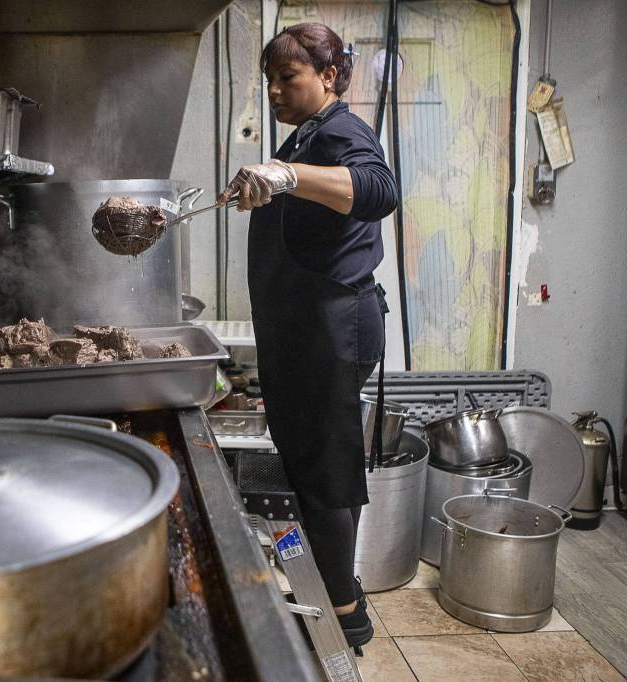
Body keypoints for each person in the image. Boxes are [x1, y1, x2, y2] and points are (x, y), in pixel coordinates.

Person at [216, 22, 397, 649]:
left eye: (286, 77)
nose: (273, 90)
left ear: (329, 76)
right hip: (303, 329)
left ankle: (343, 615)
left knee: (323, 470)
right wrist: (271, 185)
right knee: (314, 461)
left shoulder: (344, 130)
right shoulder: (308, 137)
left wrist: (288, 177)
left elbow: (379, 190)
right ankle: (339, 589)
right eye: (268, 79)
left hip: (331, 328)